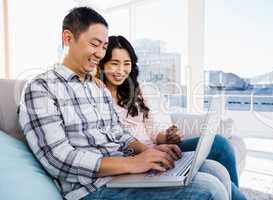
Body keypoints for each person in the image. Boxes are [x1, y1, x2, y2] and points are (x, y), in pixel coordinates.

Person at [18, 7, 229, 200]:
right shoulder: (41, 88)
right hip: (93, 188)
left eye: (104, 46)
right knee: (209, 188)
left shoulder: (95, 87)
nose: (100, 53)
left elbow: (119, 134)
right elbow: (59, 160)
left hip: (125, 173)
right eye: (94, 44)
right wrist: (133, 164)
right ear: (68, 38)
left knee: (213, 169)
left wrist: (146, 154)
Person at [96, 35, 247, 200]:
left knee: (220, 144)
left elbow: (153, 132)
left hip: (158, 149)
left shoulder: (135, 91)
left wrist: (167, 137)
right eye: (114, 63)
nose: (121, 71)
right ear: (102, 64)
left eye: (127, 64)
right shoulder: (96, 94)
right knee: (210, 180)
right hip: (137, 157)